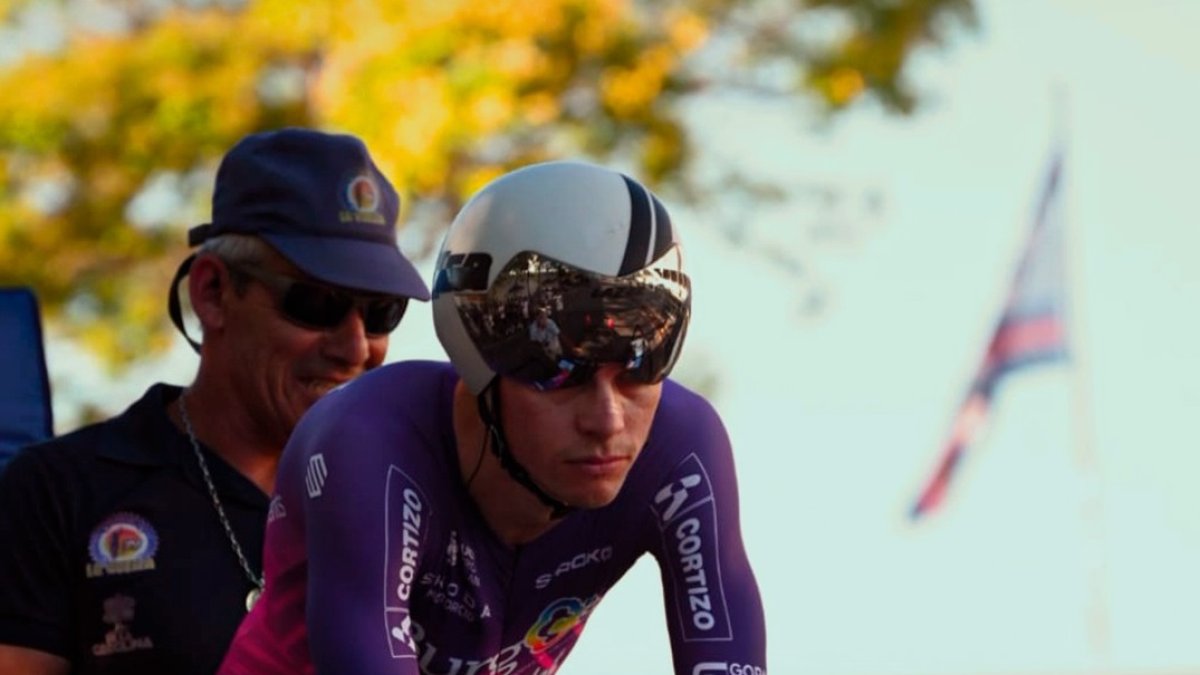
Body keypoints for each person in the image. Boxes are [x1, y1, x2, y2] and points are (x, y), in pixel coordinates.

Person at [219, 160, 767, 674]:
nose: (607, 420)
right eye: (561, 373)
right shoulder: (366, 441)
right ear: (477, 360)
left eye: (639, 368)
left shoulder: (681, 445)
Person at [0, 127, 430, 675]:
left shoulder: (415, 499)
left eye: (381, 313)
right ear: (212, 293)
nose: (354, 347)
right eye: (316, 302)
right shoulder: (60, 490)